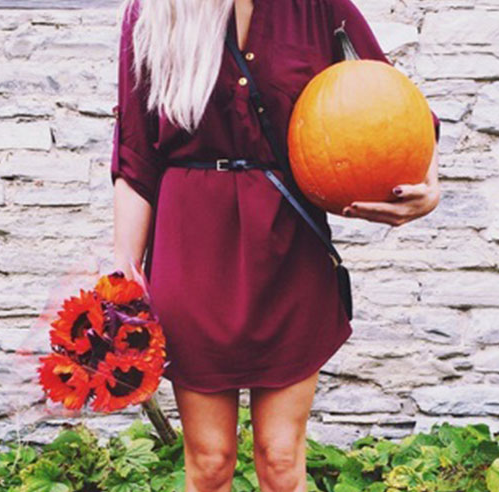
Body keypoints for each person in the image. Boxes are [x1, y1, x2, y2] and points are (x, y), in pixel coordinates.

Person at [110, 0, 441, 489]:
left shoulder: (316, 6)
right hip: (193, 249)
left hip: (288, 244)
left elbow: (394, 102)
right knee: (210, 461)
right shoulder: (154, 12)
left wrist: (429, 187)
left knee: (282, 458)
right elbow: (136, 155)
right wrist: (123, 274)